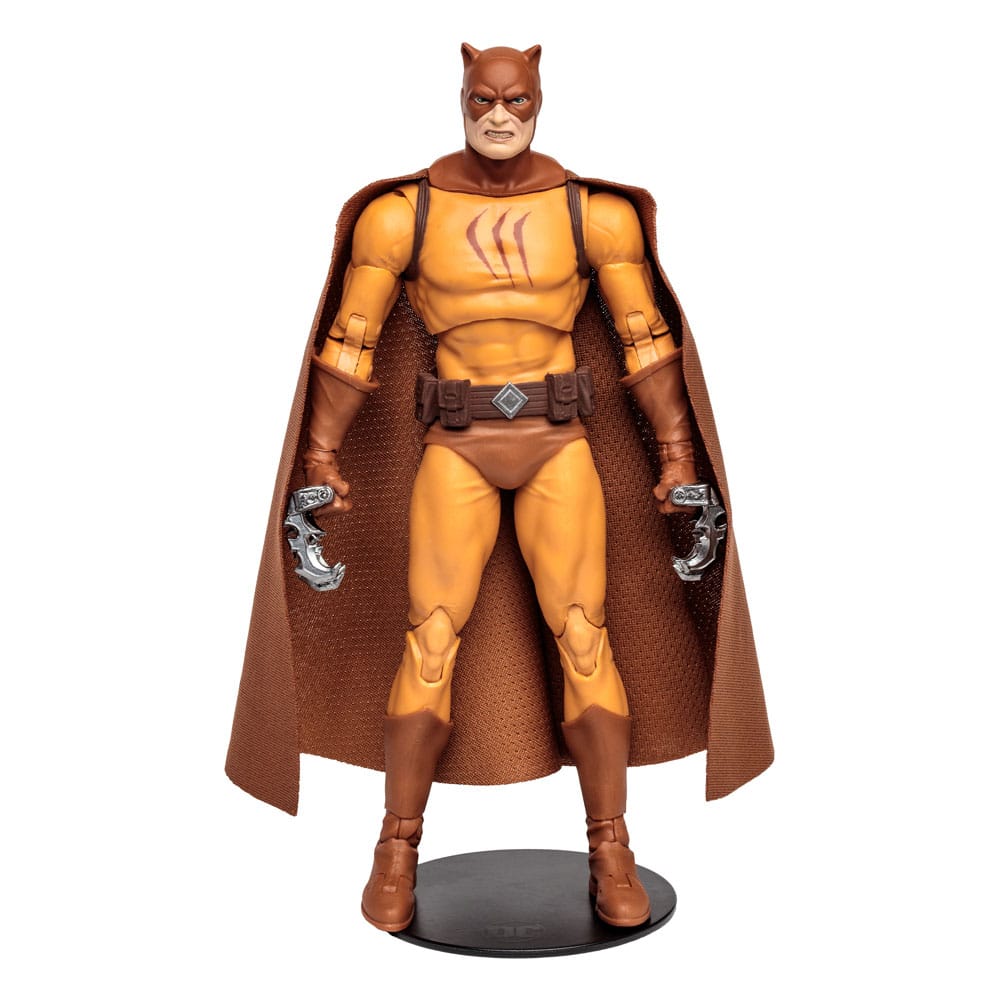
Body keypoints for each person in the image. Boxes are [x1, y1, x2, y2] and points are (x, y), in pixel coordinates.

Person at [226, 43, 773, 935]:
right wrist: (319, 454)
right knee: (429, 643)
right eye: (483, 98)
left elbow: (644, 337)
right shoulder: (403, 217)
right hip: (458, 447)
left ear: (539, 101)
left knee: (586, 640)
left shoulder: (592, 215)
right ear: (462, 98)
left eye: (516, 100)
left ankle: (610, 847)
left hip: (559, 446)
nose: (499, 115)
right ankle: (396, 848)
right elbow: (351, 340)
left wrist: (677, 449)